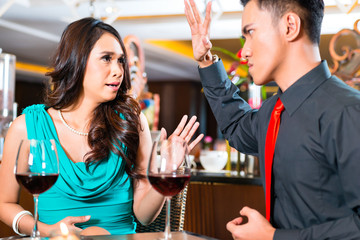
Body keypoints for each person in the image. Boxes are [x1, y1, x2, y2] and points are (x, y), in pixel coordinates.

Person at [0, 17, 203, 237]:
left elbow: (144, 216)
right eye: (106, 58)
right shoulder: (26, 127)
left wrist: (165, 172)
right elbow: (4, 203)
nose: (118, 71)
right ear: (76, 60)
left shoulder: (133, 122)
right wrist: (44, 230)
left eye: (120, 61)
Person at [184, 0, 360, 239]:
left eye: (251, 32)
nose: (244, 51)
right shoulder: (272, 111)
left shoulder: (347, 111)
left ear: (290, 26)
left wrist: (273, 237)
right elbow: (236, 125)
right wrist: (206, 59)